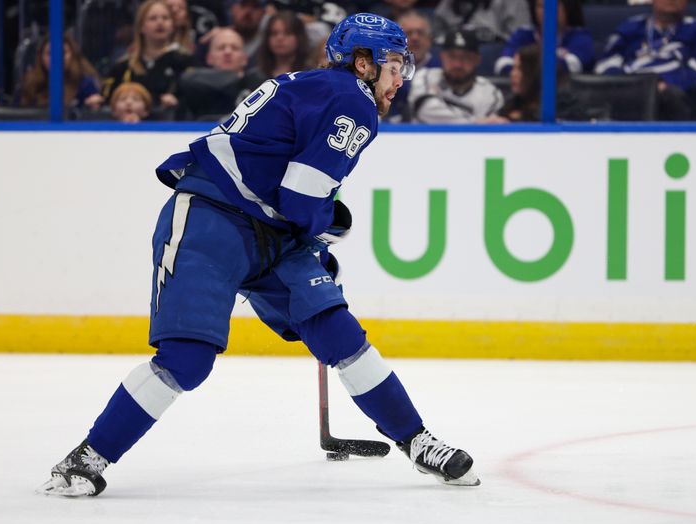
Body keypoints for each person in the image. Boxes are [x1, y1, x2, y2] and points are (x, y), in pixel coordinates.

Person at [37, 12, 480, 498]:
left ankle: (417, 441)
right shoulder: (353, 100)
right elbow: (301, 200)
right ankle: (85, 457)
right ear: (363, 64)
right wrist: (317, 232)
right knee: (187, 357)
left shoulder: (320, 88)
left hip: (265, 226)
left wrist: (310, 232)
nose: (402, 79)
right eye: (394, 65)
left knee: (339, 332)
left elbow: (290, 192)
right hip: (212, 222)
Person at [594, 0, 696, 120]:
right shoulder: (631, 26)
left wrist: (663, 84)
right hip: (628, 90)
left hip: (675, 96)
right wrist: (632, 85)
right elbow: (604, 64)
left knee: (672, 95)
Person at [102, 0, 196, 109]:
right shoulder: (123, 67)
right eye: (153, 18)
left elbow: (195, 97)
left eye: (165, 18)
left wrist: (177, 102)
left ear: (172, 26)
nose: (160, 22)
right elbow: (107, 98)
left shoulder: (186, 61)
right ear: (141, 26)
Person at [409, 30, 504, 123]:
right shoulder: (425, 76)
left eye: (465, 57)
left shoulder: (490, 93)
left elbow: (487, 130)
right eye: (452, 56)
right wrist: (475, 122)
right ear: (442, 56)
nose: (457, 64)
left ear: (477, 60)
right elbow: (425, 110)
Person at [176, 28, 265, 119]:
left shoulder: (258, 84)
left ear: (245, 59)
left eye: (234, 48)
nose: (228, 52)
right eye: (221, 48)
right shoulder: (193, 84)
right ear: (209, 58)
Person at [495, 0, 594, 76]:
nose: (546, 11)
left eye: (554, 5)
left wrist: (522, 66)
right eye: (541, 6)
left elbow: (572, 66)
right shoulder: (523, 34)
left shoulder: (580, 37)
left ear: (567, 8)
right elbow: (502, 64)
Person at [489, 43, 584, 122]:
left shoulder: (563, 103)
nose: (513, 74)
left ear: (535, 72)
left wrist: (519, 119)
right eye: (514, 68)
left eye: (520, 69)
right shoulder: (513, 103)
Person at [18, 35, 103, 110]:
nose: (56, 58)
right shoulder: (30, 83)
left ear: (72, 55)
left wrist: (94, 106)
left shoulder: (85, 83)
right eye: (50, 53)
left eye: (62, 53)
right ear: (41, 57)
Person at [384, 10, 441, 121]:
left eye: (420, 33)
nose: (415, 38)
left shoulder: (442, 67)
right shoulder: (383, 69)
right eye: (408, 33)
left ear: (429, 39)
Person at [249, 11, 314, 80]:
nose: (279, 38)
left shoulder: (310, 76)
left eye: (288, 33)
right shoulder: (254, 77)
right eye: (274, 33)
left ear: (299, 37)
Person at [432, 0, 531, 45]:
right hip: (456, 59)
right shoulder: (448, 3)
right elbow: (435, 36)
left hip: (495, 59)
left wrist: (494, 38)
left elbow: (523, 41)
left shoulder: (514, 2)